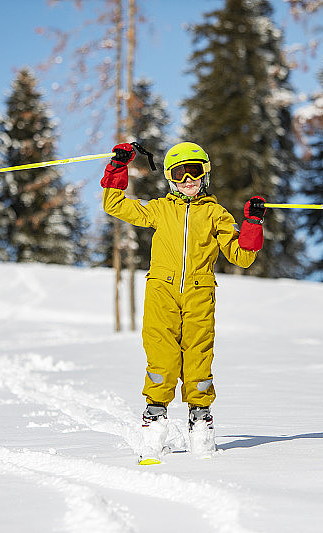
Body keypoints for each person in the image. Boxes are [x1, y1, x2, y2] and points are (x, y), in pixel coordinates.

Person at [101, 141, 266, 462]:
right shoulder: (159, 209)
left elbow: (243, 257)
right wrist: (119, 166)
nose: (188, 179)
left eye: (194, 171)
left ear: (205, 174)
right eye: (180, 173)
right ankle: (154, 422)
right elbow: (115, 204)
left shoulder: (217, 215)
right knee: (161, 355)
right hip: (161, 291)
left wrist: (253, 224)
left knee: (198, 357)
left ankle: (201, 422)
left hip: (199, 293)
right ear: (170, 178)